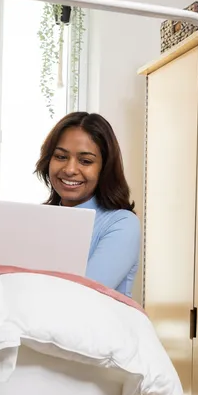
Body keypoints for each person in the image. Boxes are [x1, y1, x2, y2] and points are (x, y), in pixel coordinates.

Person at [35, 112, 140, 297]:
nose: (70, 170)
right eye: (60, 157)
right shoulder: (39, 218)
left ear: (104, 168)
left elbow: (83, 295)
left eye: (85, 161)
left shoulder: (122, 223)